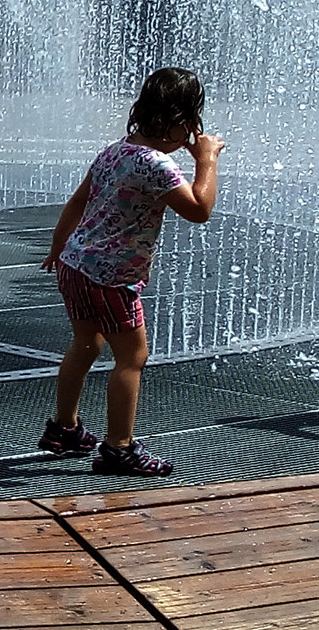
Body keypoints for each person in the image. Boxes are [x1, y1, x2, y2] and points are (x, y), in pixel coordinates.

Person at [39, 67, 223, 477]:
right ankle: (118, 448)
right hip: (111, 278)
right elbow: (199, 209)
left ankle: (64, 428)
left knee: (85, 345)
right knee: (132, 357)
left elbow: (77, 201)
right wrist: (206, 161)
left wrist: (57, 247)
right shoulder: (157, 165)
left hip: (75, 264)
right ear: (183, 123)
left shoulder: (113, 152)